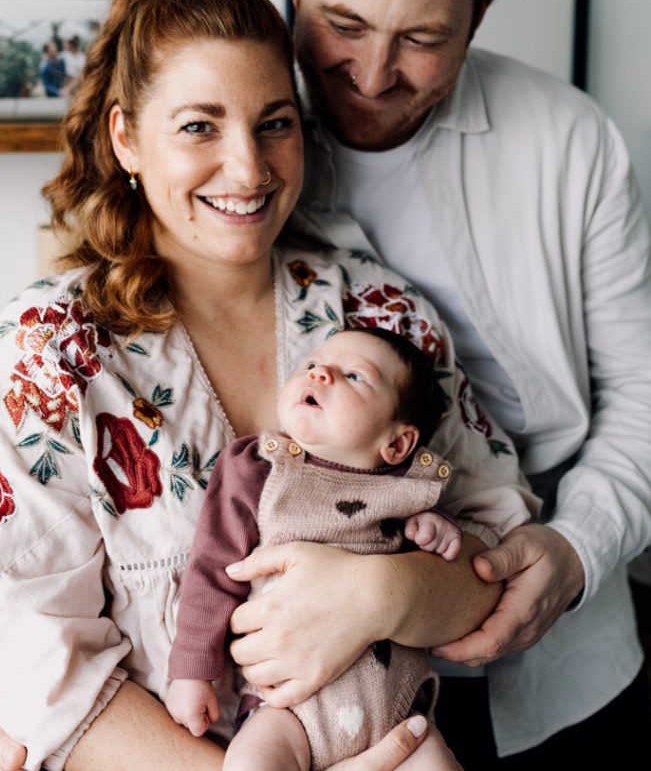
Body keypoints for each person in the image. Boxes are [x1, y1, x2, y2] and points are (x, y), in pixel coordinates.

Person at [0, 0, 535, 771]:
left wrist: (393, 593)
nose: (248, 168)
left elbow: (501, 547)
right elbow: (32, 659)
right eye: (199, 125)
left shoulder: (374, 314)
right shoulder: (46, 357)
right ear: (126, 137)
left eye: (274, 123)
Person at [285, 0, 651, 766]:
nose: (369, 76)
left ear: (480, 11)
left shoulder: (571, 143)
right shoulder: (232, 149)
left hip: (573, 661)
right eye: (344, 24)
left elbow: (644, 393)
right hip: (316, 690)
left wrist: (575, 551)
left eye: (422, 38)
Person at [165, 326, 535, 771]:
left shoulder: (411, 494)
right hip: (286, 710)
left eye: (355, 376)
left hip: (399, 715)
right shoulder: (261, 470)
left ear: (397, 443)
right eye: (313, 365)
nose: (320, 374)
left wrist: (438, 533)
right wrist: (191, 669)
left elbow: (444, 584)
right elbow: (211, 568)